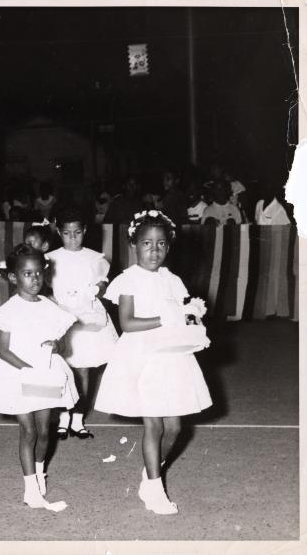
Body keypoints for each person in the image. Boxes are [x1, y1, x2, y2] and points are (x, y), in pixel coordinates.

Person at [95, 210, 212, 514]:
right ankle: (156, 491)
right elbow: (128, 323)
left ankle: (150, 475)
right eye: (147, 243)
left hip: (170, 358)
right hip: (141, 359)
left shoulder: (172, 280)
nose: (154, 250)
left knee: (174, 428)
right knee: (154, 426)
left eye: (161, 244)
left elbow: (182, 315)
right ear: (133, 244)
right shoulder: (128, 280)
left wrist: (191, 318)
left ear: (169, 247)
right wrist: (166, 317)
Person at [0, 244, 77, 510]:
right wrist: (29, 370)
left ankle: (40, 470)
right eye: (27, 274)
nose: (34, 279)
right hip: (19, 375)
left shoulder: (50, 306)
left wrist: (57, 347)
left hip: (45, 374)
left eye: (38, 273)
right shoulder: (10, 310)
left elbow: (63, 346)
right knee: (29, 430)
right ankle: (30, 488)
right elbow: (4, 351)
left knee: (45, 431)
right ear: (13, 277)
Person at [46, 207, 118, 440]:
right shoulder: (51, 258)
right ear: (59, 232)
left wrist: (96, 289)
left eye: (77, 232)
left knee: (84, 369)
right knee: (59, 368)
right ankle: (63, 416)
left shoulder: (95, 258)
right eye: (67, 233)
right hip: (61, 317)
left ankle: (78, 418)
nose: (73, 238)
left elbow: (104, 282)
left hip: (87, 317)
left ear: (85, 231)